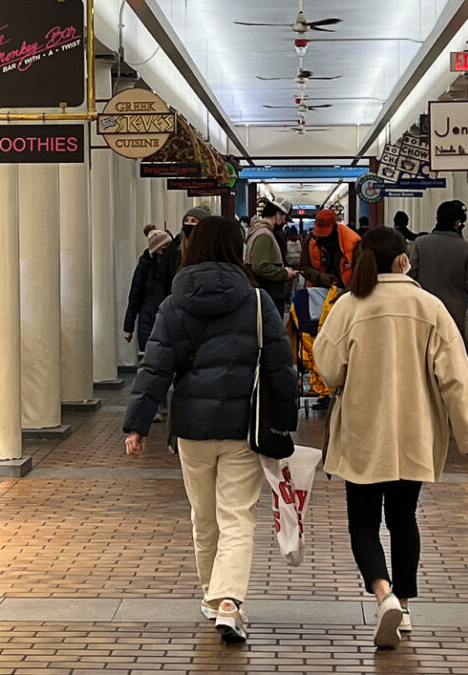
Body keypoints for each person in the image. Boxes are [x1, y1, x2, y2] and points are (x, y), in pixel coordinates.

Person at [123, 215, 297, 645]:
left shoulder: (174, 303)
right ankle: (229, 602)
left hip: (192, 428)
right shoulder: (257, 301)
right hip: (243, 427)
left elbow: (156, 366)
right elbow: (280, 367)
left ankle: (212, 594)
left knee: (204, 516)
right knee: (237, 515)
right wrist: (287, 422)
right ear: (237, 248)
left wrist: (136, 424)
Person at [313, 227, 468, 649]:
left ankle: (382, 593)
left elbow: (329, 368)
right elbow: (457, 378)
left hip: (361, 431)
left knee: (363, 522)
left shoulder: (349, 307)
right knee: (404, 518)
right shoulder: (430, 307)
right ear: (403, 260)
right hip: (414, 430)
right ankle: (404, 606)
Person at [409, 200, 468, 336]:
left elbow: (411, 273)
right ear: (458, 223)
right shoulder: (466, 248)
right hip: (454, 310)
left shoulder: (421, 243)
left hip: (424, 307)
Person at [123, 224, 174, 353]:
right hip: (149, 315)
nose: (165, 251)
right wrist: (128, 327)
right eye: (162, 248)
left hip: (163, 314)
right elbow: (135, 295)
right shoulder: (145, 265)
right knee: (150, 352)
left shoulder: (173, 263)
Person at [245, 197, 299, 316]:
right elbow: (260, 266)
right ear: (278, 214)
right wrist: (285, 273)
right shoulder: (264, 235)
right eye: (285, 218)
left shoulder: (258, 231)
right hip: (268, 296)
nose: (285, 222)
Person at [298, 208, 361, 290]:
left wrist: (347, 291)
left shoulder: (353, 241)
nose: (322, 238)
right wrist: (319, 276)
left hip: (347, 290)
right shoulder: (311, 238)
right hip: (318, 289)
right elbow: (303, 267)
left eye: (325, 233)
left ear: (335, 227)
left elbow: (360, 271)